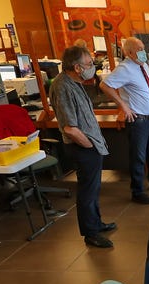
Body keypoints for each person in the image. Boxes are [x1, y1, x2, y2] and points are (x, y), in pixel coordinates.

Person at [49, 45, 116, 248]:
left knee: (94, 189)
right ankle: (90, 233)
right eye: (88, 64)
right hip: (83, 148)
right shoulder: (62, 87)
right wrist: (89, 146)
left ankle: (96, 223)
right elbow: (69, 128)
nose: (91, 67)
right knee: (87, 191)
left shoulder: (75, 83)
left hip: (91, 146)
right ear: (77, 67)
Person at [100, 37, 149, 204]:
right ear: (130, 52)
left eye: (143, 48)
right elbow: (105, 85)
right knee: (138, 157)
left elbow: (147, 89)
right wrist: (123, 106)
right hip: (138, 120)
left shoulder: (143, 66)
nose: (144, 52)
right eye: (140, 49)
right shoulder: (125, 68)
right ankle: (137, 191)